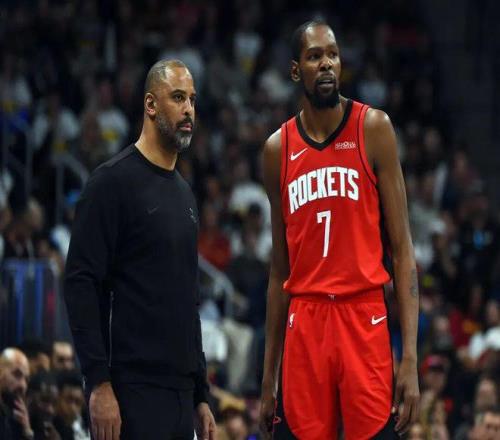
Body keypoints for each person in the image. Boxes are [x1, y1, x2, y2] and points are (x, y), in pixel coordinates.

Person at [259, 20, 419, 439]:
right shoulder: (277, 150)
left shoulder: (374, 128)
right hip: (305, 319)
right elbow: (279, 272)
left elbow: (403, 251)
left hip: (363, 315)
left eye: (332, 54)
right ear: (296, 70)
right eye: (314, 56)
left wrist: (410, 359)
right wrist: (268, 376)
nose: (327, 63)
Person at [64, 59, 216, 440]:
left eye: (192, 100)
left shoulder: (185, 195)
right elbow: (81, 284)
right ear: (150, 105)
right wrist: (98, 382)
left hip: (180, 394)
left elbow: (189, 300)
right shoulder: (110, 183)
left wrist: (201, 394)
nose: (188, 110)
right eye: (177, 98)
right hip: (130, 390)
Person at [0, 348, 33, 439]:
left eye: (26, 379)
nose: (23, 385)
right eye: (17, 374)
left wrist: (27, 431)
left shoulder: (14, 417)